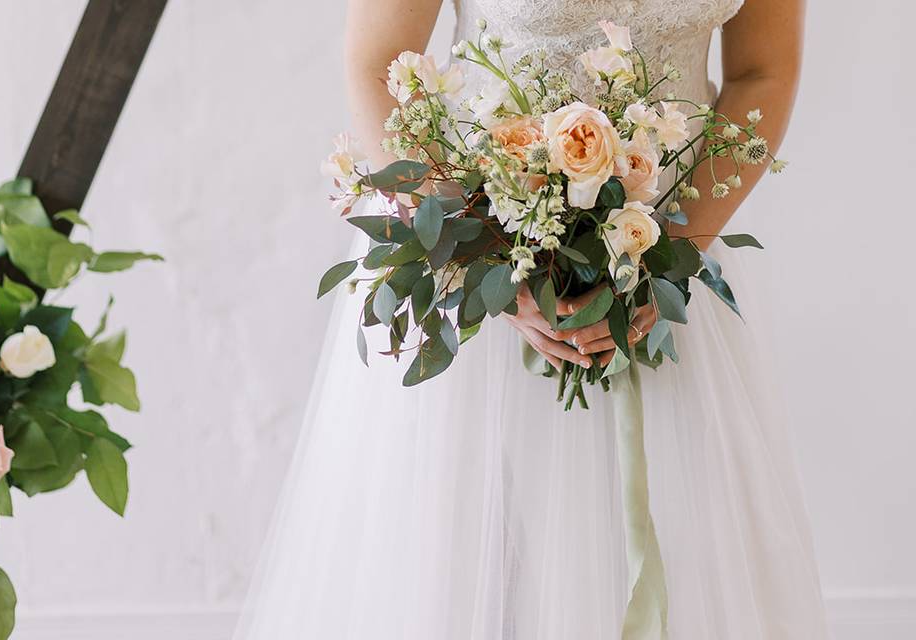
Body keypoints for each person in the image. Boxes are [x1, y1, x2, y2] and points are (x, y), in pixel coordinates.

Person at [235, 1, 830, 637]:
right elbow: (374, 63)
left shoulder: (668, 257)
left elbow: (762, 72)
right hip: (475, 267)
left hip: (668, 262)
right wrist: (485, 268)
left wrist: (662, 255)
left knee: (685, 570)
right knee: (466, 579)